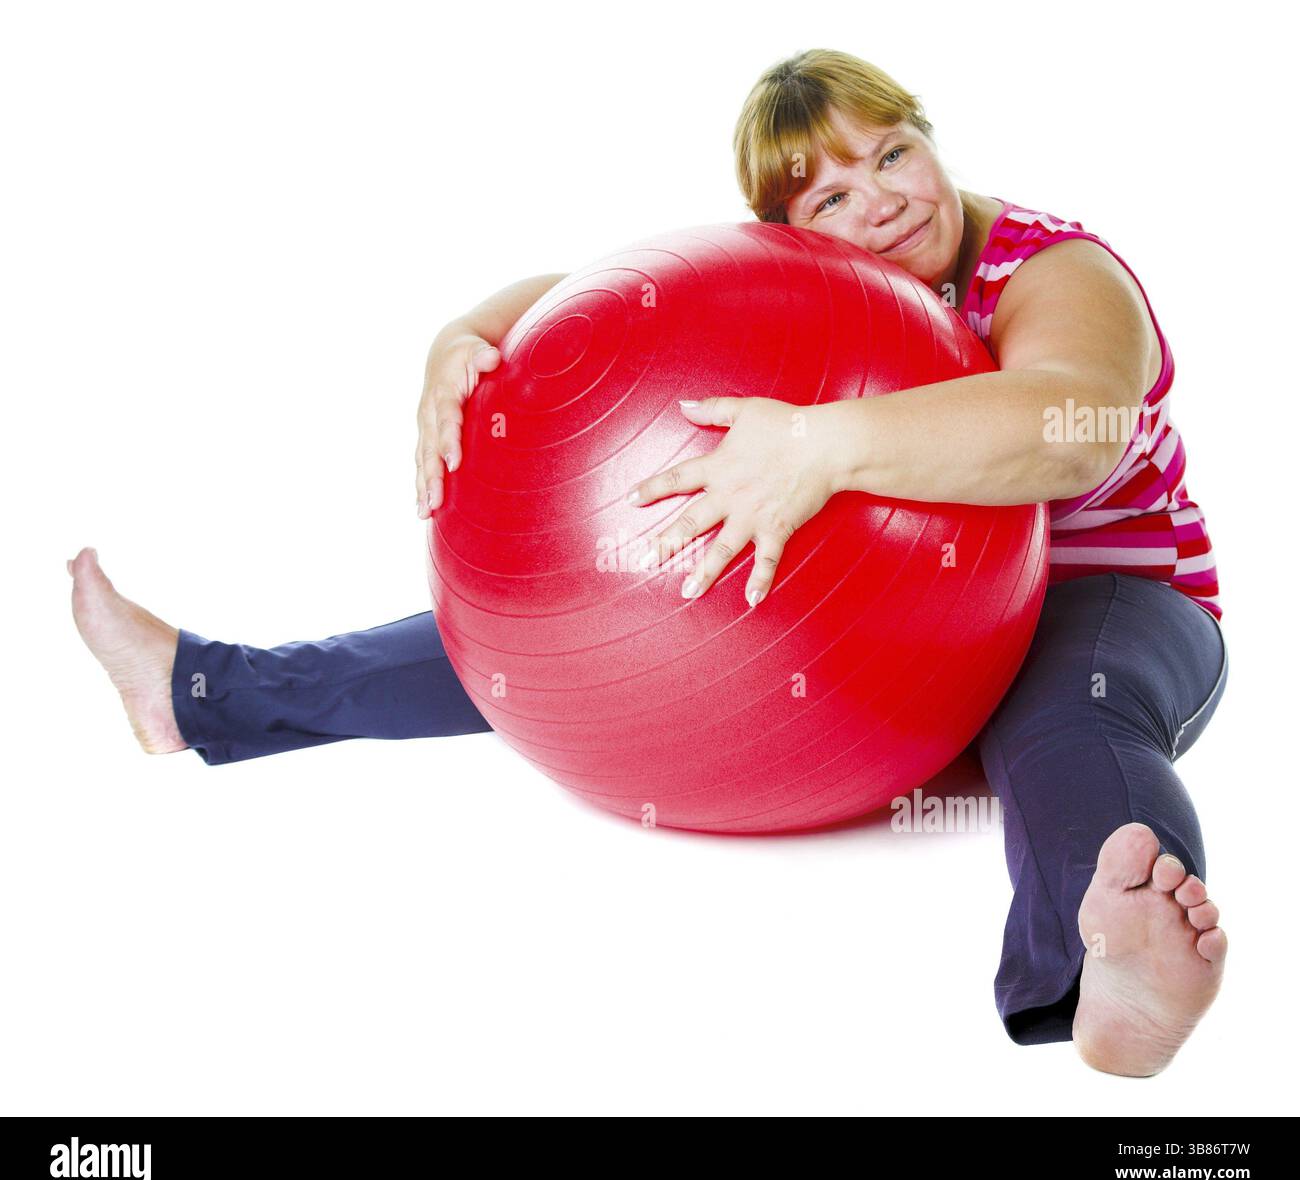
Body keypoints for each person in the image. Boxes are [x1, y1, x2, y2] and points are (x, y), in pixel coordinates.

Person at [69, 48, 1227, 1077]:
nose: (879, 202)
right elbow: (586, 296)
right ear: (785, 226)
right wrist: (460, 338)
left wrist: (822, 442)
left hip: (1109, 596)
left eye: (894, 152)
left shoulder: (1047, 266)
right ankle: (200, 692)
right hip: (893, 641)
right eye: (829, 192)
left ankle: (1100, 962)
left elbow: (1073, 424)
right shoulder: (812, 282)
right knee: (552, 631)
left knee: (1068, 720)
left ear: (931, 140)